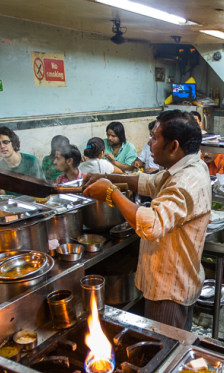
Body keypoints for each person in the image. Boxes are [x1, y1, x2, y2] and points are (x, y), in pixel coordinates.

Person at [80, 109, 210, 330]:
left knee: (164, 353)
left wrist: (111, 193)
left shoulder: (186, 181)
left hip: (169, 291)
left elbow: (152, 225)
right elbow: (148, 182)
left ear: (173, 146)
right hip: (170, 283)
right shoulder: (185, 167)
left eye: (154, 137)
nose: (149, 143)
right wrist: (106, 176)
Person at [0, 125, 43, 197]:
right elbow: (3, 195)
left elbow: (40, 189)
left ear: (13, 143)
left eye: (5, 142)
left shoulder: (31, 161)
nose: (2, 146)